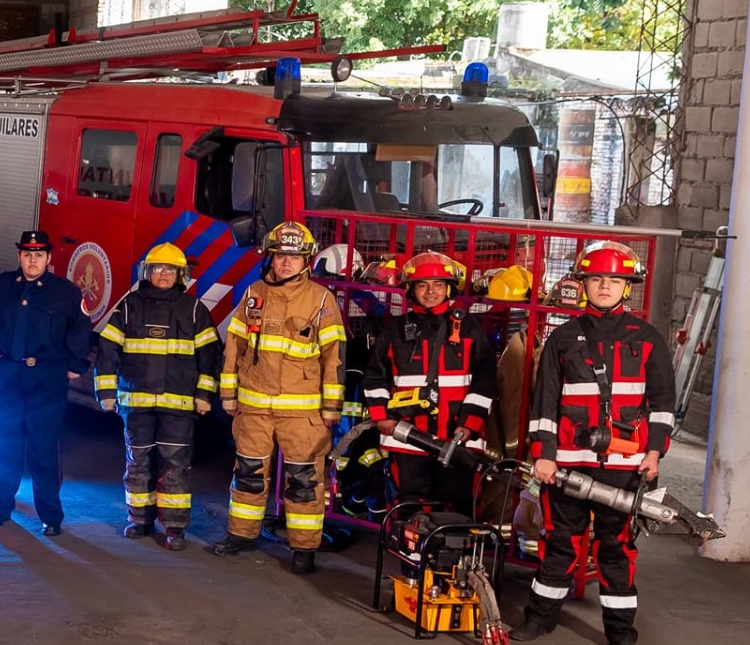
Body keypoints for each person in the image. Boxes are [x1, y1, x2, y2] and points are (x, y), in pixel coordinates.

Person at [511, 241, 674, 645]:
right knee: (559, 543)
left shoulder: (648, 339)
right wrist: (543, 454)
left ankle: (621, 634)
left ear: (627, 287)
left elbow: (662, 405)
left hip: (625, 464)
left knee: (616, 549)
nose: (605, 286)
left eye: (614, 280)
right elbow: (545, 402)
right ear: (583, 284)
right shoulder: (563, 338)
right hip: (567, 462)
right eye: (597, 278)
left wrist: (654, 453)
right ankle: (539, 618)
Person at [210, 221, 346, 571]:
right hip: (253, 406)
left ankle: (304, 548)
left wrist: (332, 407)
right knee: (248, 473)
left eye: (294, 257)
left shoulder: (321, 299)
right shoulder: (253, 293)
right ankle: (240, 534)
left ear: (306, 261)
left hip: (302, 412)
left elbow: (334, 357)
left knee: (304, 481)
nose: (286, 263)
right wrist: (229, 395)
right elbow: (234, 347)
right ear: (270, 257)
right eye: (280, 256)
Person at [94, 243, 219, 551]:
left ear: (180, 275)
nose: (163, 274)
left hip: (179, 406)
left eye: (170, 270)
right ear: (147, 273)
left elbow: (210, 355)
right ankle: (139, 519)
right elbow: (107, 350)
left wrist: (205, 394)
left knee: (175, 466)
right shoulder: (129, 306)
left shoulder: (193, 309)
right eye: (157, 269)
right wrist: (106, 392)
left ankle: (175, 527)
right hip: (136, 403)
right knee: (138, 462)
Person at [0, 230, 92, 537]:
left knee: (44, 448)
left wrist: (76, 365)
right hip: (6, 376)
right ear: (19, 256)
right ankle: (0, 508)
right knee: (6, 444)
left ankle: (50, 516)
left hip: (46, 379)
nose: (32, 260)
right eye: (27, 254)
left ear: (48, 258)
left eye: (38, 255)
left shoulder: (65, 292)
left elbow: (81, 329)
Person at [362, 251, 496, 512]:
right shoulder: (396, 329)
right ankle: (411, 540)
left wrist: (470, 424)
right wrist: (382, 416)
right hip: (407, 435)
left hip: (456, 436)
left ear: (449, 288)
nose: (431, 292)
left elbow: (485, 379)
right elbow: (375, 375)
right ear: (411, 290)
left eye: (438, 285)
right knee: (410, 503)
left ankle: (451, 540)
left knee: (456, 504)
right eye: (422, 285)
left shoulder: (469, 328)